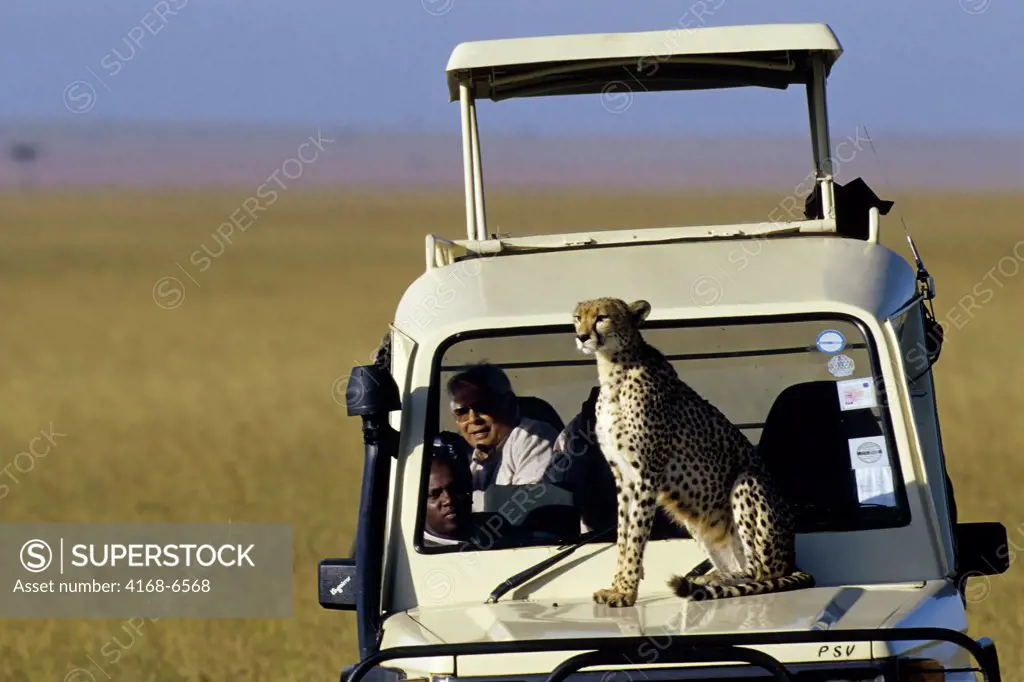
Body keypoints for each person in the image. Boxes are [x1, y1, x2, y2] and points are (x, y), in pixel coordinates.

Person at [446, 363, 559, 492]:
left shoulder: (534, 436)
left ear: (509, 403)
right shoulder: (475, 455)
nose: (473, 419)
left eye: (482, 407)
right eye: (462, 412)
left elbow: (522, 505)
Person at [423, 454, 474, 546]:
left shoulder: (496, 527)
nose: (448, 500)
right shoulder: (416, 557)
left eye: (454, 489)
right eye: (434, 495)